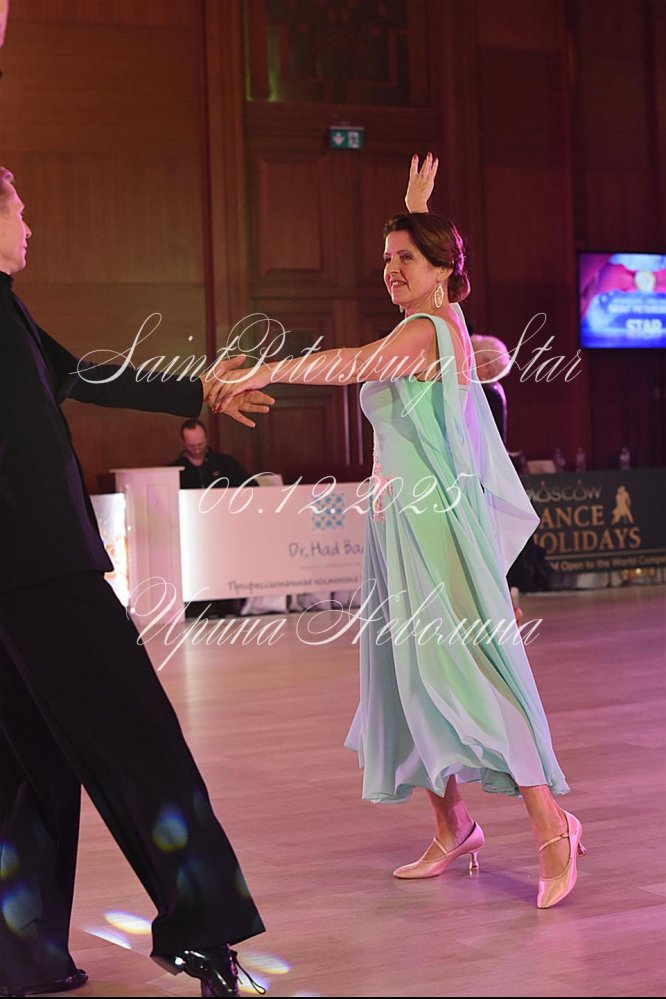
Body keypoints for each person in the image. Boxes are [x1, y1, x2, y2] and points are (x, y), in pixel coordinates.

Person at [207, 154, 586, 910]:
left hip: (434, 529)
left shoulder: (426, 330)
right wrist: (412, 207)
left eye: (405, 258)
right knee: (406, 680)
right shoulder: (439, 322)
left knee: (470, 674)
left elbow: (353, 363)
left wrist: (265, 370)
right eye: (386, 259)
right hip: (396, 530)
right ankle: (454, 826)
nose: (390, 270)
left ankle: (554, 826)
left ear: (441, 270)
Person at [0, 166, 274, 998]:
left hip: (23, 575)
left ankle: (21, 954)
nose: (29, 228)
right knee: (142, 742)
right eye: (18, 210)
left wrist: (199, 387)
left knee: (29, 763)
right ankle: (203, 932)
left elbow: (82, 374)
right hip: (46, 569)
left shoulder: (9, 309)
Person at [170, 419, 258, 490]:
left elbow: (252, 486)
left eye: (200, 444)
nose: (197, 450)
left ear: (206, 439)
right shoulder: (174, 470)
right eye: (191, 446)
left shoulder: (225, 463)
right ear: (183, 443)